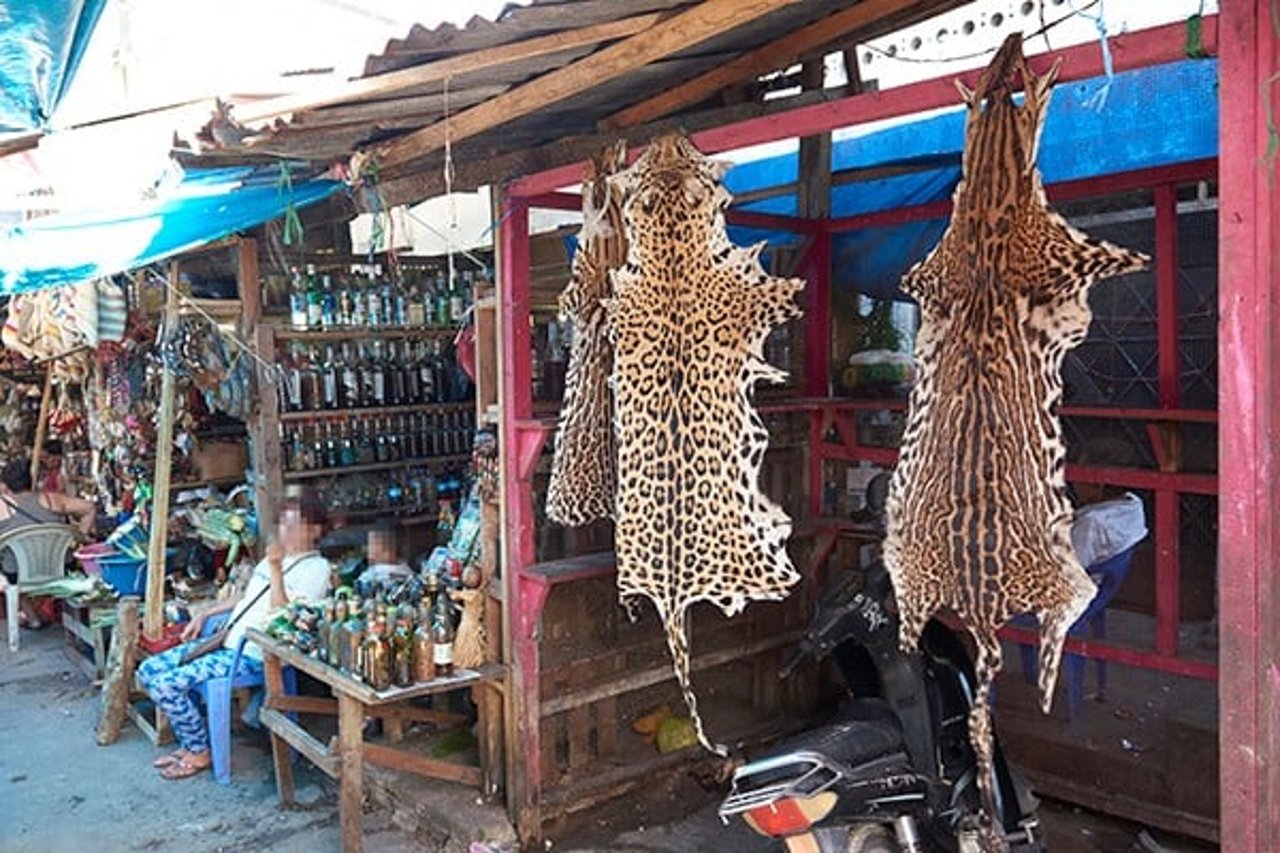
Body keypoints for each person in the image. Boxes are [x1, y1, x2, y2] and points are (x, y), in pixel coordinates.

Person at [138, 493, 331, 780]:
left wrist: (276, 569)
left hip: (255, 655)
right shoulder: (271, 560)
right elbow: (246, 596)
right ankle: (192, 741)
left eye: (294, 527)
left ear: (314, 531)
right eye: (283, 526)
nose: (285, 533)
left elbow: (287, 617)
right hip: (228, 643)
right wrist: (207, 612)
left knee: (166, 686)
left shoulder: (317, 569)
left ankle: (199, 751)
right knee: (148, 669)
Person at [0, 456, 97, 629]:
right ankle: (38, 615)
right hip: (60, 567)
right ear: (31, 481)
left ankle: (32, 618)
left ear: (5, 485)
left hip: (19, 573)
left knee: (9, 569)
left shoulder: (2, 505)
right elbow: (89, 508)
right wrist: (79, 538)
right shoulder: (53, 499)